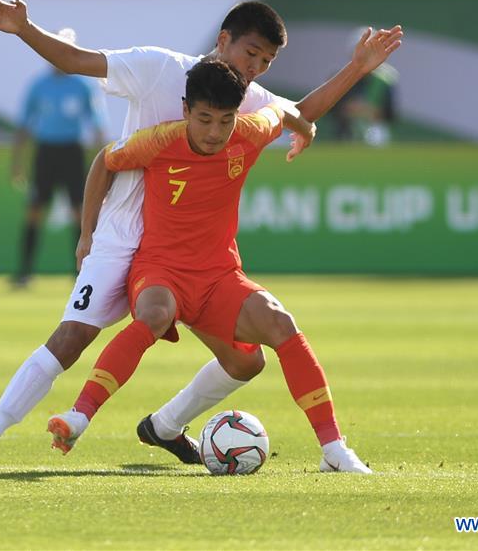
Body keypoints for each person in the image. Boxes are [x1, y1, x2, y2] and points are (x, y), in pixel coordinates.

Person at [0, 0, 401, 472]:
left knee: (246, 362)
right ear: (223, 40)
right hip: (125, 238)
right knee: (71, 338)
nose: (257, 69)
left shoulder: (244, 98)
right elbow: (75, 61)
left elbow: (298, 110)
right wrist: (24, 29)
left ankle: (164, 426)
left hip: (195, 257)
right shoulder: (158, 67)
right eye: (251, 54)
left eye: (267, 61)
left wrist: (354, 73)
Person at [47, 59, 370, 473]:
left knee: (273, 333)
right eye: (204, 120)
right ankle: (79, 416)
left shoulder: (250, 132)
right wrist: (86, 235)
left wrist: (308, 125)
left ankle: (333, 450)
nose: (215, 132)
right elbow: (104, 163)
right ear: (185, 111)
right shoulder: (159, 141)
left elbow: (288, 111)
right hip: (159, 270)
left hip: (219, 277)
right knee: (155, 314)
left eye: (225, 120)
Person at [10, 28, 105, 287]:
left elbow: (97, 124)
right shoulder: (38, 85)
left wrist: (105, 160)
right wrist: (17, 162)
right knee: (34, 211)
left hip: (72, 152)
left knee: (80, 214)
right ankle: (24, 272)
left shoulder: (83, 84)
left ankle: (82, 272)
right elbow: (24, 125)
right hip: (46, 152)